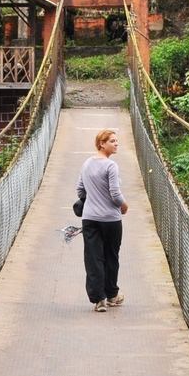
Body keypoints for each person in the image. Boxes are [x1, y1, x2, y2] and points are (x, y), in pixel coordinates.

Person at [76, 128, 128, 312]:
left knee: (93, 258)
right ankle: (112, 295)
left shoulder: (87, 163)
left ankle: (99, 300)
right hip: (111, 219)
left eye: (116, 141)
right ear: (101, 143)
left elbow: (80, 189)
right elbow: (115, 193)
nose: (116, 144)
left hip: (89, 218)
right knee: (111, 256)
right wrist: (124, 206)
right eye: (112, 141)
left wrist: (90, 200)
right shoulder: (110, 166)